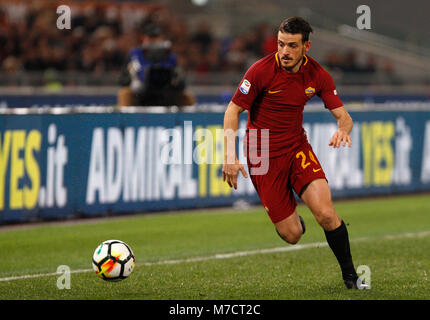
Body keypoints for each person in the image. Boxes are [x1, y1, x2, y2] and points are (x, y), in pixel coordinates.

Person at [222, 16, 368, 290]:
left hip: (296, 147)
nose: (284, 51)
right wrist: (230, 156)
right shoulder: (260, 71)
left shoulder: (318, 75)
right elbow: (233, 110)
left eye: (291, 45)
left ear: (306, 47)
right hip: (262, 153)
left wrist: (344, 129)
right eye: (280, 44)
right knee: (292, 235)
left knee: (326, 214)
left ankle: (351, 276)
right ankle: (292, 217)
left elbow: (344, 117)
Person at [117, 23, 195, 107]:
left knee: (187, 97)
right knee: (124, 93)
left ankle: (188, 120)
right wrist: (133, 81)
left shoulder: (170, 56)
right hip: (141, 93)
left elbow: (181, 81)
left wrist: (176, 83)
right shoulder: (134, 55)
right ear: (143, 37)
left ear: (161, 38)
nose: (153, 40)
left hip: (166, 92)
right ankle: (124, 119)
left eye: (156, 37)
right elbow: (122, 80)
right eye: (151, 37)